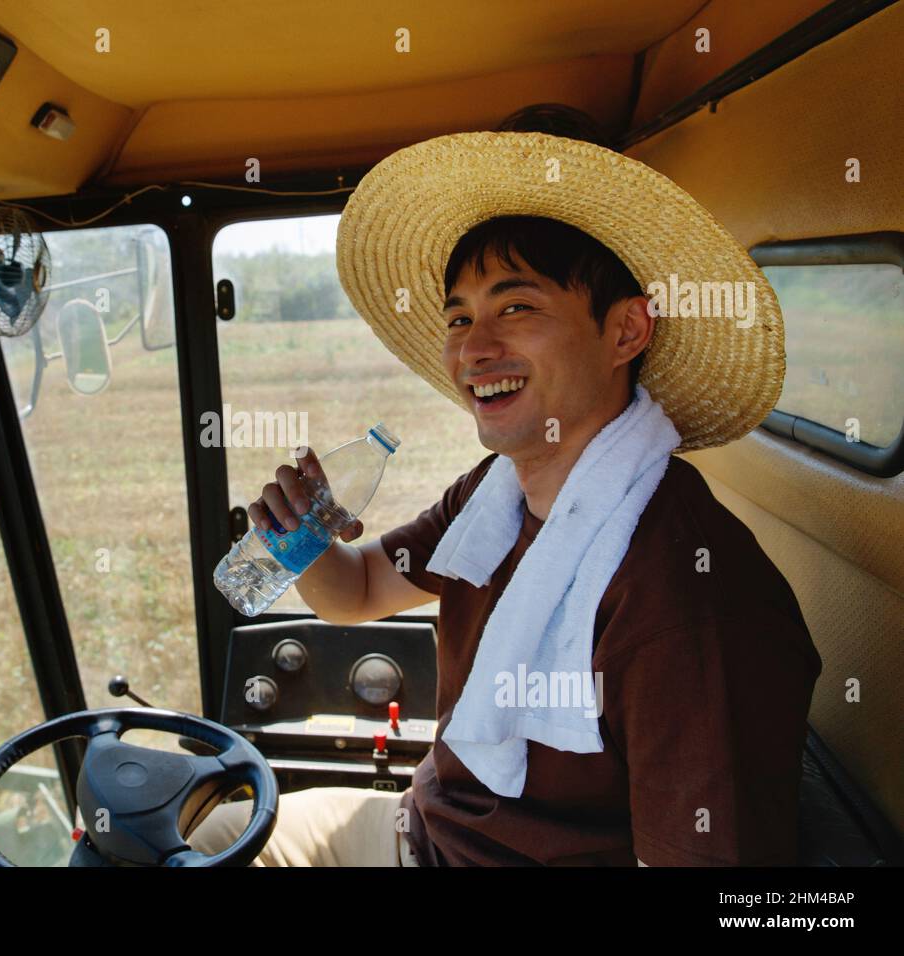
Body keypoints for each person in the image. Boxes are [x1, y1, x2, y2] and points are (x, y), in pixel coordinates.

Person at [186, 121, 822, 866]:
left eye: (515, 307)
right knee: (214, 843)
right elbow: (356, 592)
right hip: (424, 833)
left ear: (625, 331)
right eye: (459, 316)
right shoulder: (493, 498)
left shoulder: (687, 595)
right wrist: (305, 540)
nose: (472, 348)